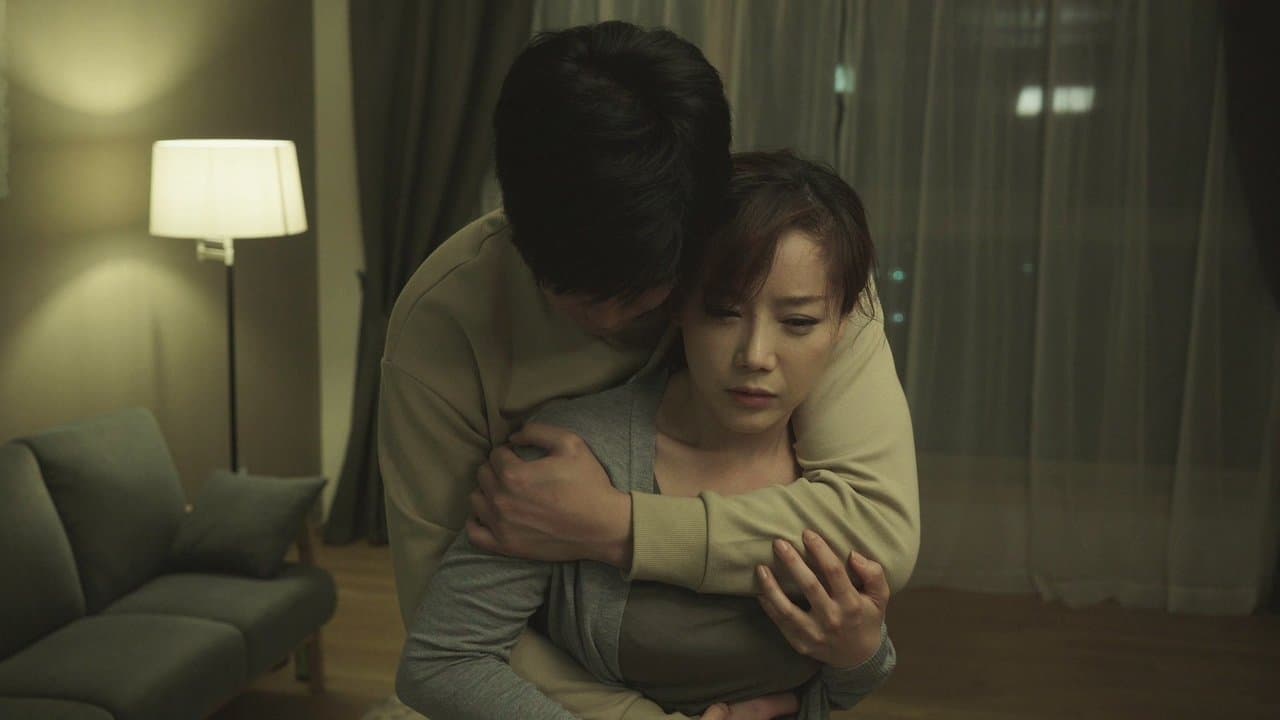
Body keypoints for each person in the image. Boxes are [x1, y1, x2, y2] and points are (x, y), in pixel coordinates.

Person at [378, 20, 918, 719]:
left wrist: (617, 525)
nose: (617, 323)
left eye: (651, 291)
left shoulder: (790, 264)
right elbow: (446, 640)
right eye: (580, 296)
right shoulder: (442, 333)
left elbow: (877, 534)